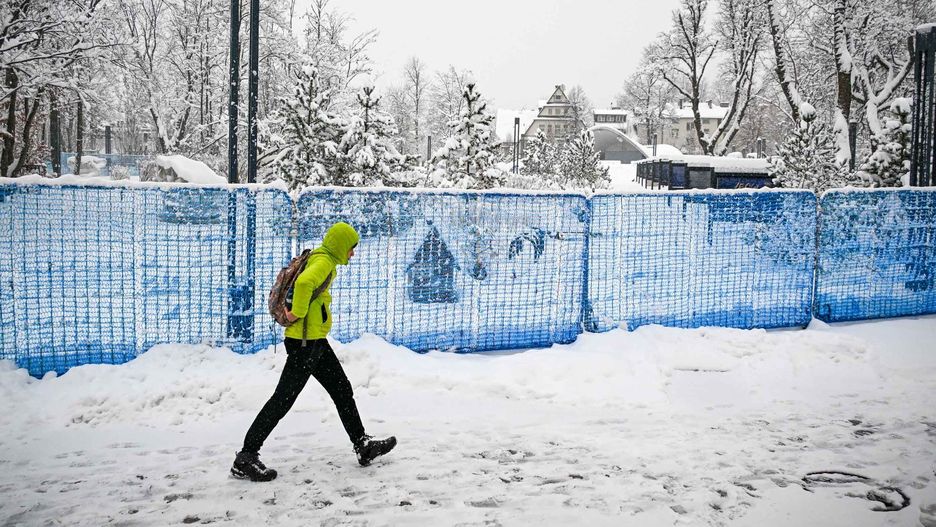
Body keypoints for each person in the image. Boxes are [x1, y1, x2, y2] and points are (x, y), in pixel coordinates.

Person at [231, 222, 396, 482]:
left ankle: (362, 445)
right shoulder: (324, 263)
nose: (352, 254)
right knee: (282, 400)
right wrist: (296, 312)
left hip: (315, 341)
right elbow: (305, 282)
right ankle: (246, 457)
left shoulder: (321, 256)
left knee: (342, 389)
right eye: (351, 248)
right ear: (341, 245)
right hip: (305, 344)